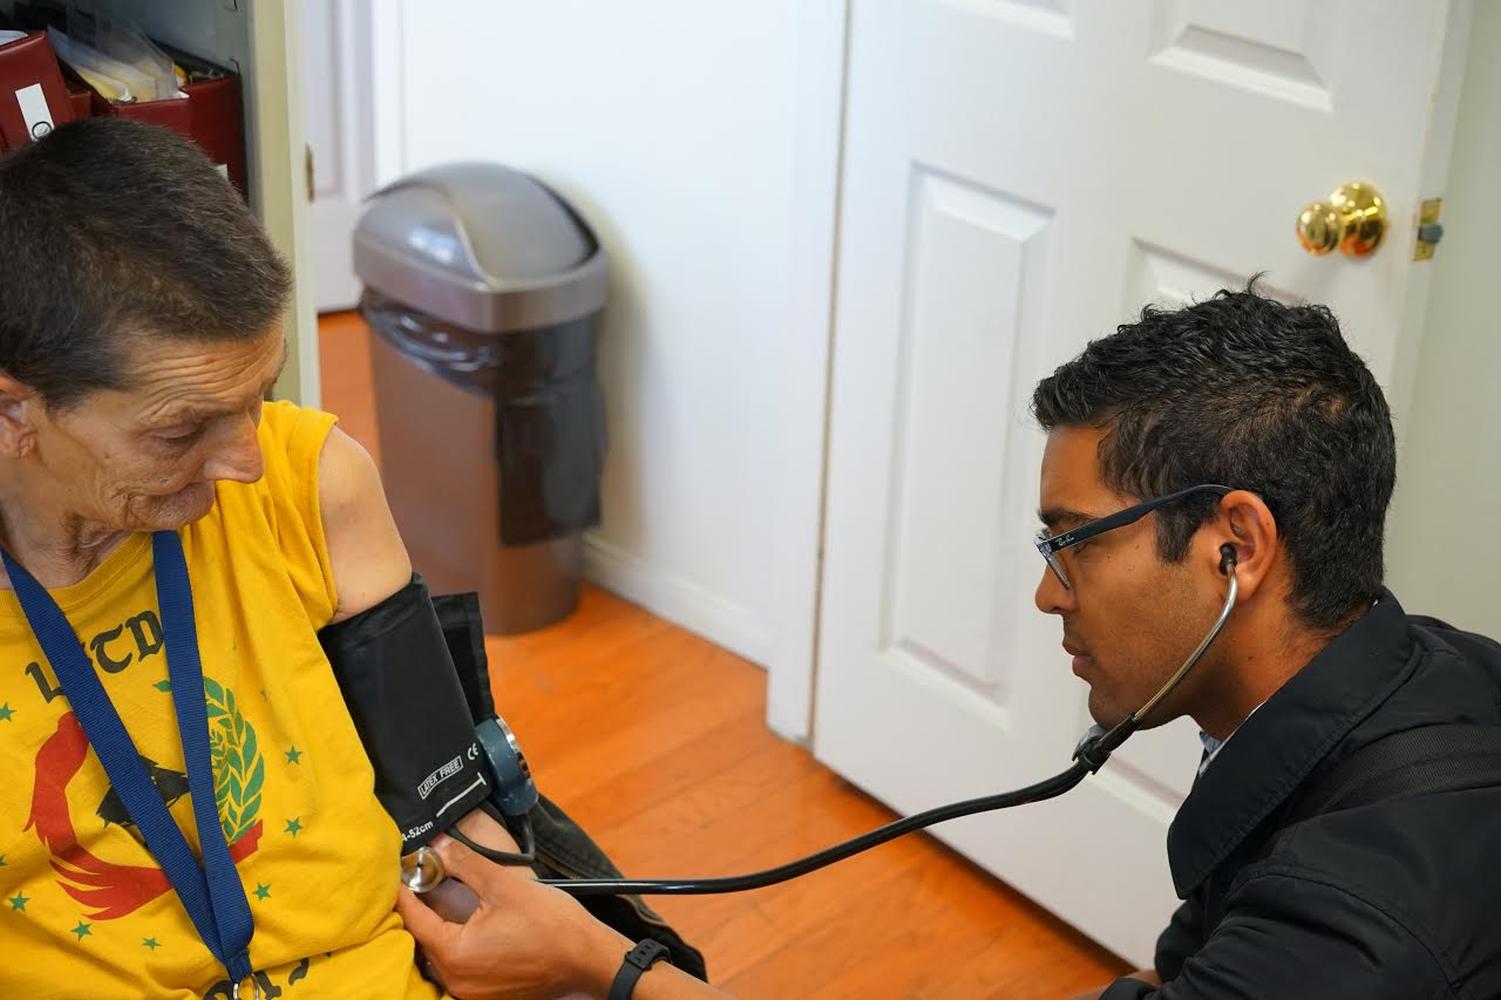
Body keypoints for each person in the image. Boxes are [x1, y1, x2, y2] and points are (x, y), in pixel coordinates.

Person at [394, 288, 1501, 999]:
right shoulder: (1431, 674)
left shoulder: (1347, 928)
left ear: (1234, 544)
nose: (1044, 594)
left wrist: (603, 964)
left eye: (1074, 543)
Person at [0, 118, 523, 997]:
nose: (246, 457)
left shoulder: (312, 485)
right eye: (180, 429)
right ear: (15, 414)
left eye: (261, 394)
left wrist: (555, 948)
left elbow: (449, 815)